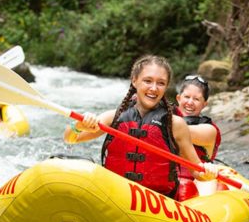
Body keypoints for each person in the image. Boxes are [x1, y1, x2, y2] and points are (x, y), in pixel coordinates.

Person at [63, 55, 218, 199]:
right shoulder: (114, 117)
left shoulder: (176, 124)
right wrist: (78, 125)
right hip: (116, 194)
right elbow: (70, 139)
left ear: (166, 87)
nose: (154, 88)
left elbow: (197, 171)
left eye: (161, 83)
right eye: (148, 81)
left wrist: (208, 173)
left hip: (159, 201)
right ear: (134, 81)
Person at [175, 75, 223, 200]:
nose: (190, 102)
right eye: (186, 97)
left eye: (196, 99)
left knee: (204, 182)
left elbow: (181, 131)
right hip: (167, 177)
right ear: (178, 98)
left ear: (204, 104)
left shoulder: (209, 130)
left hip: (199, 179)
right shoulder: (164, 115)